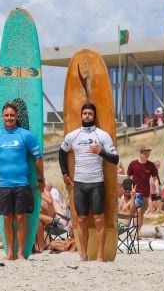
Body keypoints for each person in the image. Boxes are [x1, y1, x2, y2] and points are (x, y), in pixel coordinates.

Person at [58, 102, 119, 262]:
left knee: (99, 219)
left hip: (97, 183)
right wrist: (65, 173)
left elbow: (115, 159)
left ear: (94, 116)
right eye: (84, 113)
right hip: (79, 184)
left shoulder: (102, 135)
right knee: (82, 219)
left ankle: (99, 256)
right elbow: (62, 152)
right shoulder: (73, 135)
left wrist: (101, 152)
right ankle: (83, 255)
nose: (87, 116)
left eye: (90, 114)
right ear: (81, 115)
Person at [0, 102, 44, 261]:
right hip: (4, 185)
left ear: (17, 116)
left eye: (12, 115)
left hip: (22, 184)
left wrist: (40, 179)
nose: (9, 118)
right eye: (6, 115)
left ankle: (20, 254)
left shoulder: (26, 135)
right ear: (2, 117)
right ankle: (10, 253)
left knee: (21, 219)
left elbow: (38, 158)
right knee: (7, 219)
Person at [127, 145, 159, 232]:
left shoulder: (151, 165)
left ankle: (137, 231)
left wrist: (157, 189)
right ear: (140, 154)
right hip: (136, 192)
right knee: (138, 211)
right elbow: (128, 177)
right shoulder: (133, 164)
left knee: (141, 213)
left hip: (146, 193)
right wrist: (128, 190)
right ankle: (136, 232)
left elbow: (155, 178)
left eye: (148, 153)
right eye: (145, 153)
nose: (147, 155)